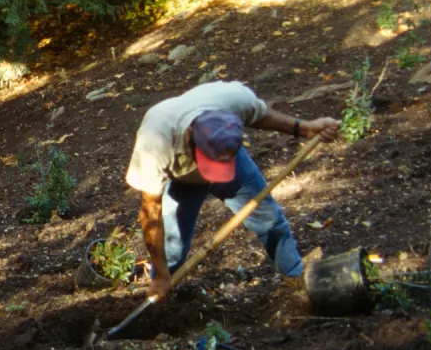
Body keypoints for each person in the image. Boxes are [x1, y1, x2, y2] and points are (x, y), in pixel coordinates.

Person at [124, 81, 340, 302]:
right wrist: (161, 274)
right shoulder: (156, 138)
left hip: (234, 165)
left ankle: (295, 278)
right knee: (173, 244)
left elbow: (261, 115)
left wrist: (304, 128)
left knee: (269, 219)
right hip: (182, 179)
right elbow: (150, 216)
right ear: (190, 135)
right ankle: (161, 292)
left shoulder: (234, 99)